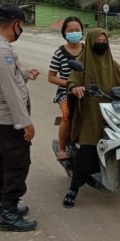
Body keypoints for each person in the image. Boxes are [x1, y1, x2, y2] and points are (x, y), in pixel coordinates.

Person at [62, 27, 120, 208]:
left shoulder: (111, 62)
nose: (102, 44)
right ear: (90, 42)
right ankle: (73, 188)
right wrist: (76, 87)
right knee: (88, 146)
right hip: (90, 111)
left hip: (111, 107)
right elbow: (72, 80)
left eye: (105, 42)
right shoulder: (82, 62)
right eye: (99, 41)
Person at [0, 4, 39, 232]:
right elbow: (11, 91)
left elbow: (2, 76)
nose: (20, 31)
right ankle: (9, 214)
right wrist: (26, 123)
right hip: (8, 118)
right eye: (21, 26)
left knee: (1, 160)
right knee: (16, 165)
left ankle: (0, 205)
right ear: (15, 24)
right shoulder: (3, 51)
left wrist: (24, 73)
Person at [48, 16, 84, 160]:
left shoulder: (89, 51)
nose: (74, 33)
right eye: (71, 30)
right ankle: (62, 149)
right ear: (64, 33)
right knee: (67, 116)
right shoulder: (59, 53)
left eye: (77, 30)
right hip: (66, 92)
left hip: (87, 90)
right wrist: (70, 84)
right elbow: (51, 77)